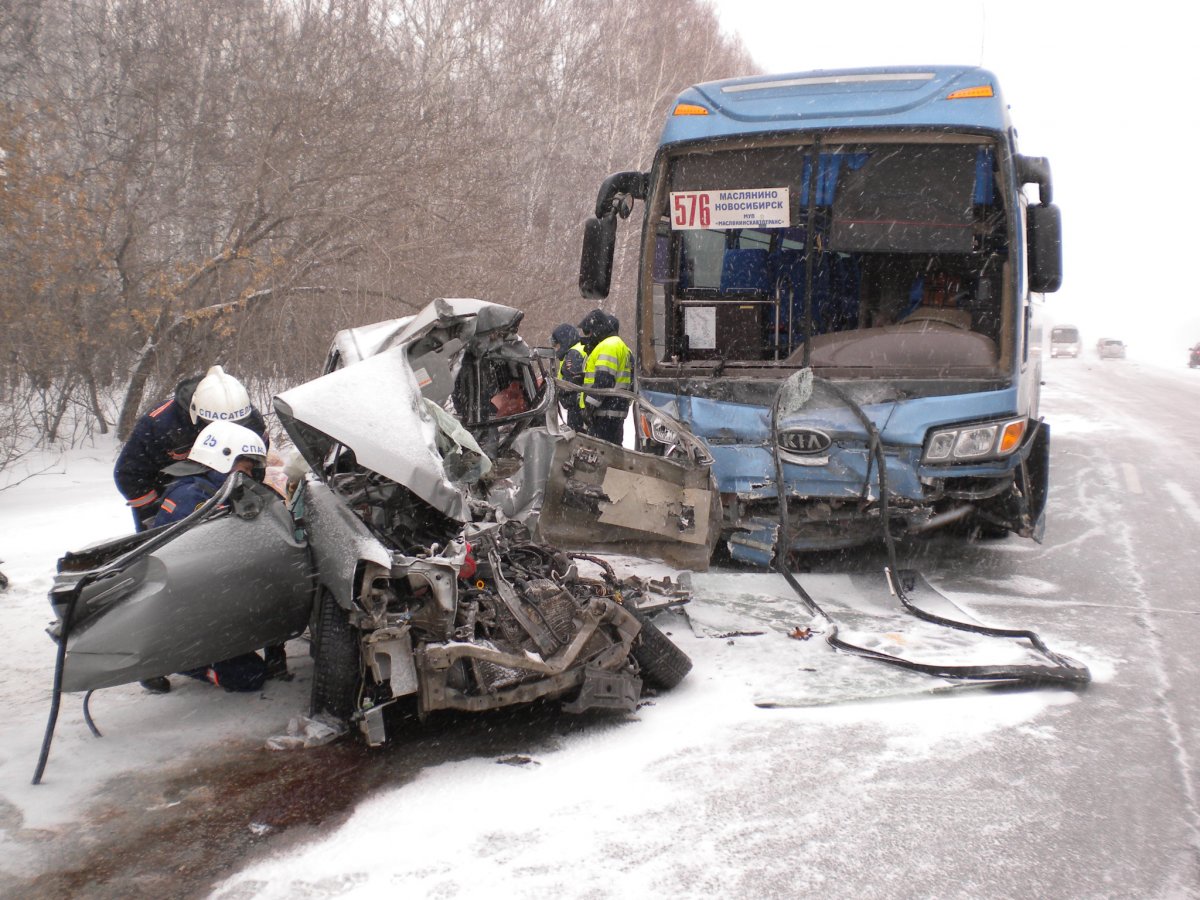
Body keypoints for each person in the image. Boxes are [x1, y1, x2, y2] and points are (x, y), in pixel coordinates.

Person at [139, 420, 286, 694]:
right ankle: (169, 660)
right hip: (188, 607)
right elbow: (192, 560)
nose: (250, 473)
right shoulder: (193, 497)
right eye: (245, 466)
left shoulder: (218, 490)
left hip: (210, 597)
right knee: (249, 677)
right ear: (223, 458)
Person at [114, 365, 269, 531]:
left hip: (227, 496)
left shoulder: (252, 423)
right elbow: (129, 474)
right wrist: (151, 514)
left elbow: (256, 466)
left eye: (235, 425)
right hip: (170, 497)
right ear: (196, 413)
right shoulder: (160, 424)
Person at [578, 309, 633, 445]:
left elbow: (604, 381)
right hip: (614, 411)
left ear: (597, 329)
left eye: (589, 331)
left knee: (598, 455)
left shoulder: (608, 346)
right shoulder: (619, 345)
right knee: (612, 456)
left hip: (604, 413)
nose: (588, 336)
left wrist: (589, 407)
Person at [551, 323, 586, 430]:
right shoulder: (579, 348)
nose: (556, 349)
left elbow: (573, 382)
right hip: (580, 405)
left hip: (577, 407)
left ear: (564, 341)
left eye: (557, 345)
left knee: (577, 438)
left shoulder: (573, 354)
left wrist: (559, 391)